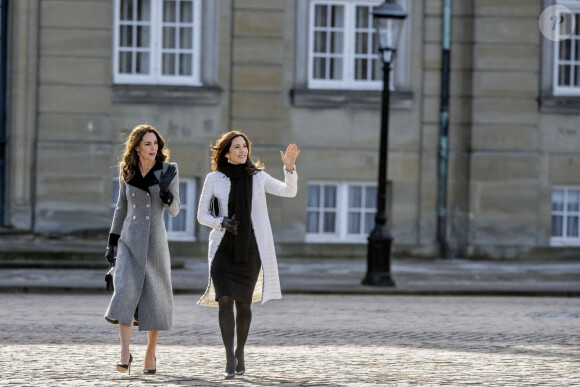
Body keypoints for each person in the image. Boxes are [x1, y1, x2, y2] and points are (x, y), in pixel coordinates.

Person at [197, 131, 300, 379]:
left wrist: (289, 168)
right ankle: (228, 359)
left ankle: (239, 352)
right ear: (226, 152)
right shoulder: (214, 178)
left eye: (245, 147)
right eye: (237, 147)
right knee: (224, 299)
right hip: (223, 248)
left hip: (251, 248)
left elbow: (289, 191)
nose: (243, 151)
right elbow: (202, 216)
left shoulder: (258, 177)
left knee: (243, 303)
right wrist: (221, 222)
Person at [104, 124, 180, 375]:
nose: (153, 148)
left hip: (156, 243)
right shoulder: (127, 170)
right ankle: (125, 353)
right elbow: (121, 208)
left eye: (156, 143)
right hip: (129, 241)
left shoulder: (169, 170)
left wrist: (167, 193)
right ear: (137, 147)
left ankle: (150, 352)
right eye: (147, 144)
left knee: (154, 299)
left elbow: (175, 209)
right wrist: (112, 241)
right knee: (124, 292)